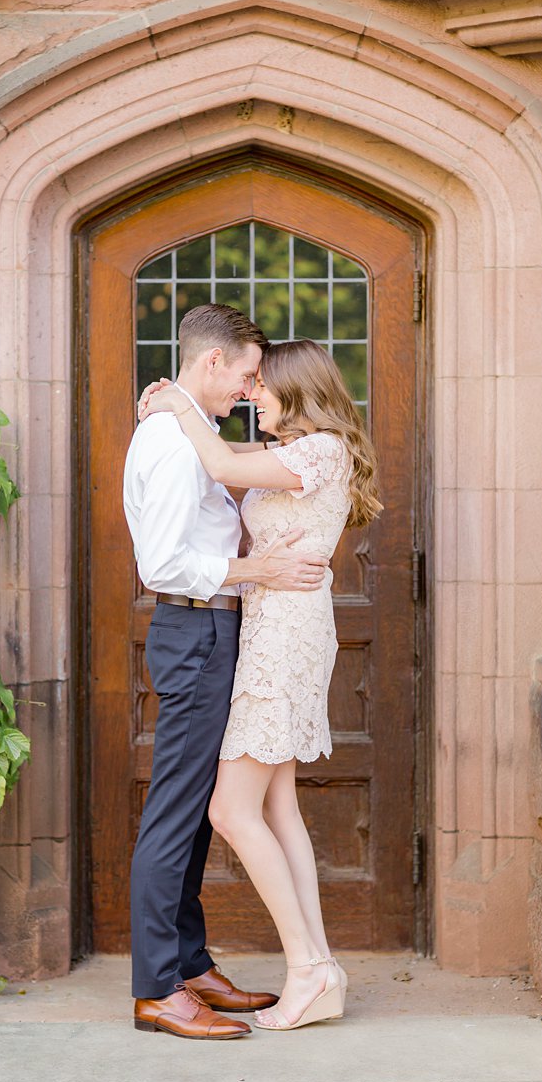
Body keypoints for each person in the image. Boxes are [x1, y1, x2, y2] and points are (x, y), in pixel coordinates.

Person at [138, 336, 383, 1031]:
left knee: (229, 811)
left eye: (261, 386)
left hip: (281, 639)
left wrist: (176, 404)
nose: (251, 395)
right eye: (247, 383)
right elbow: (219, 481)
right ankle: (320, 966)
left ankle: (307, 967)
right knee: (277, 806)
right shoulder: (299, 454)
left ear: (298, 389)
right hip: (274, 627)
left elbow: (217, 462)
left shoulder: (320, 449)